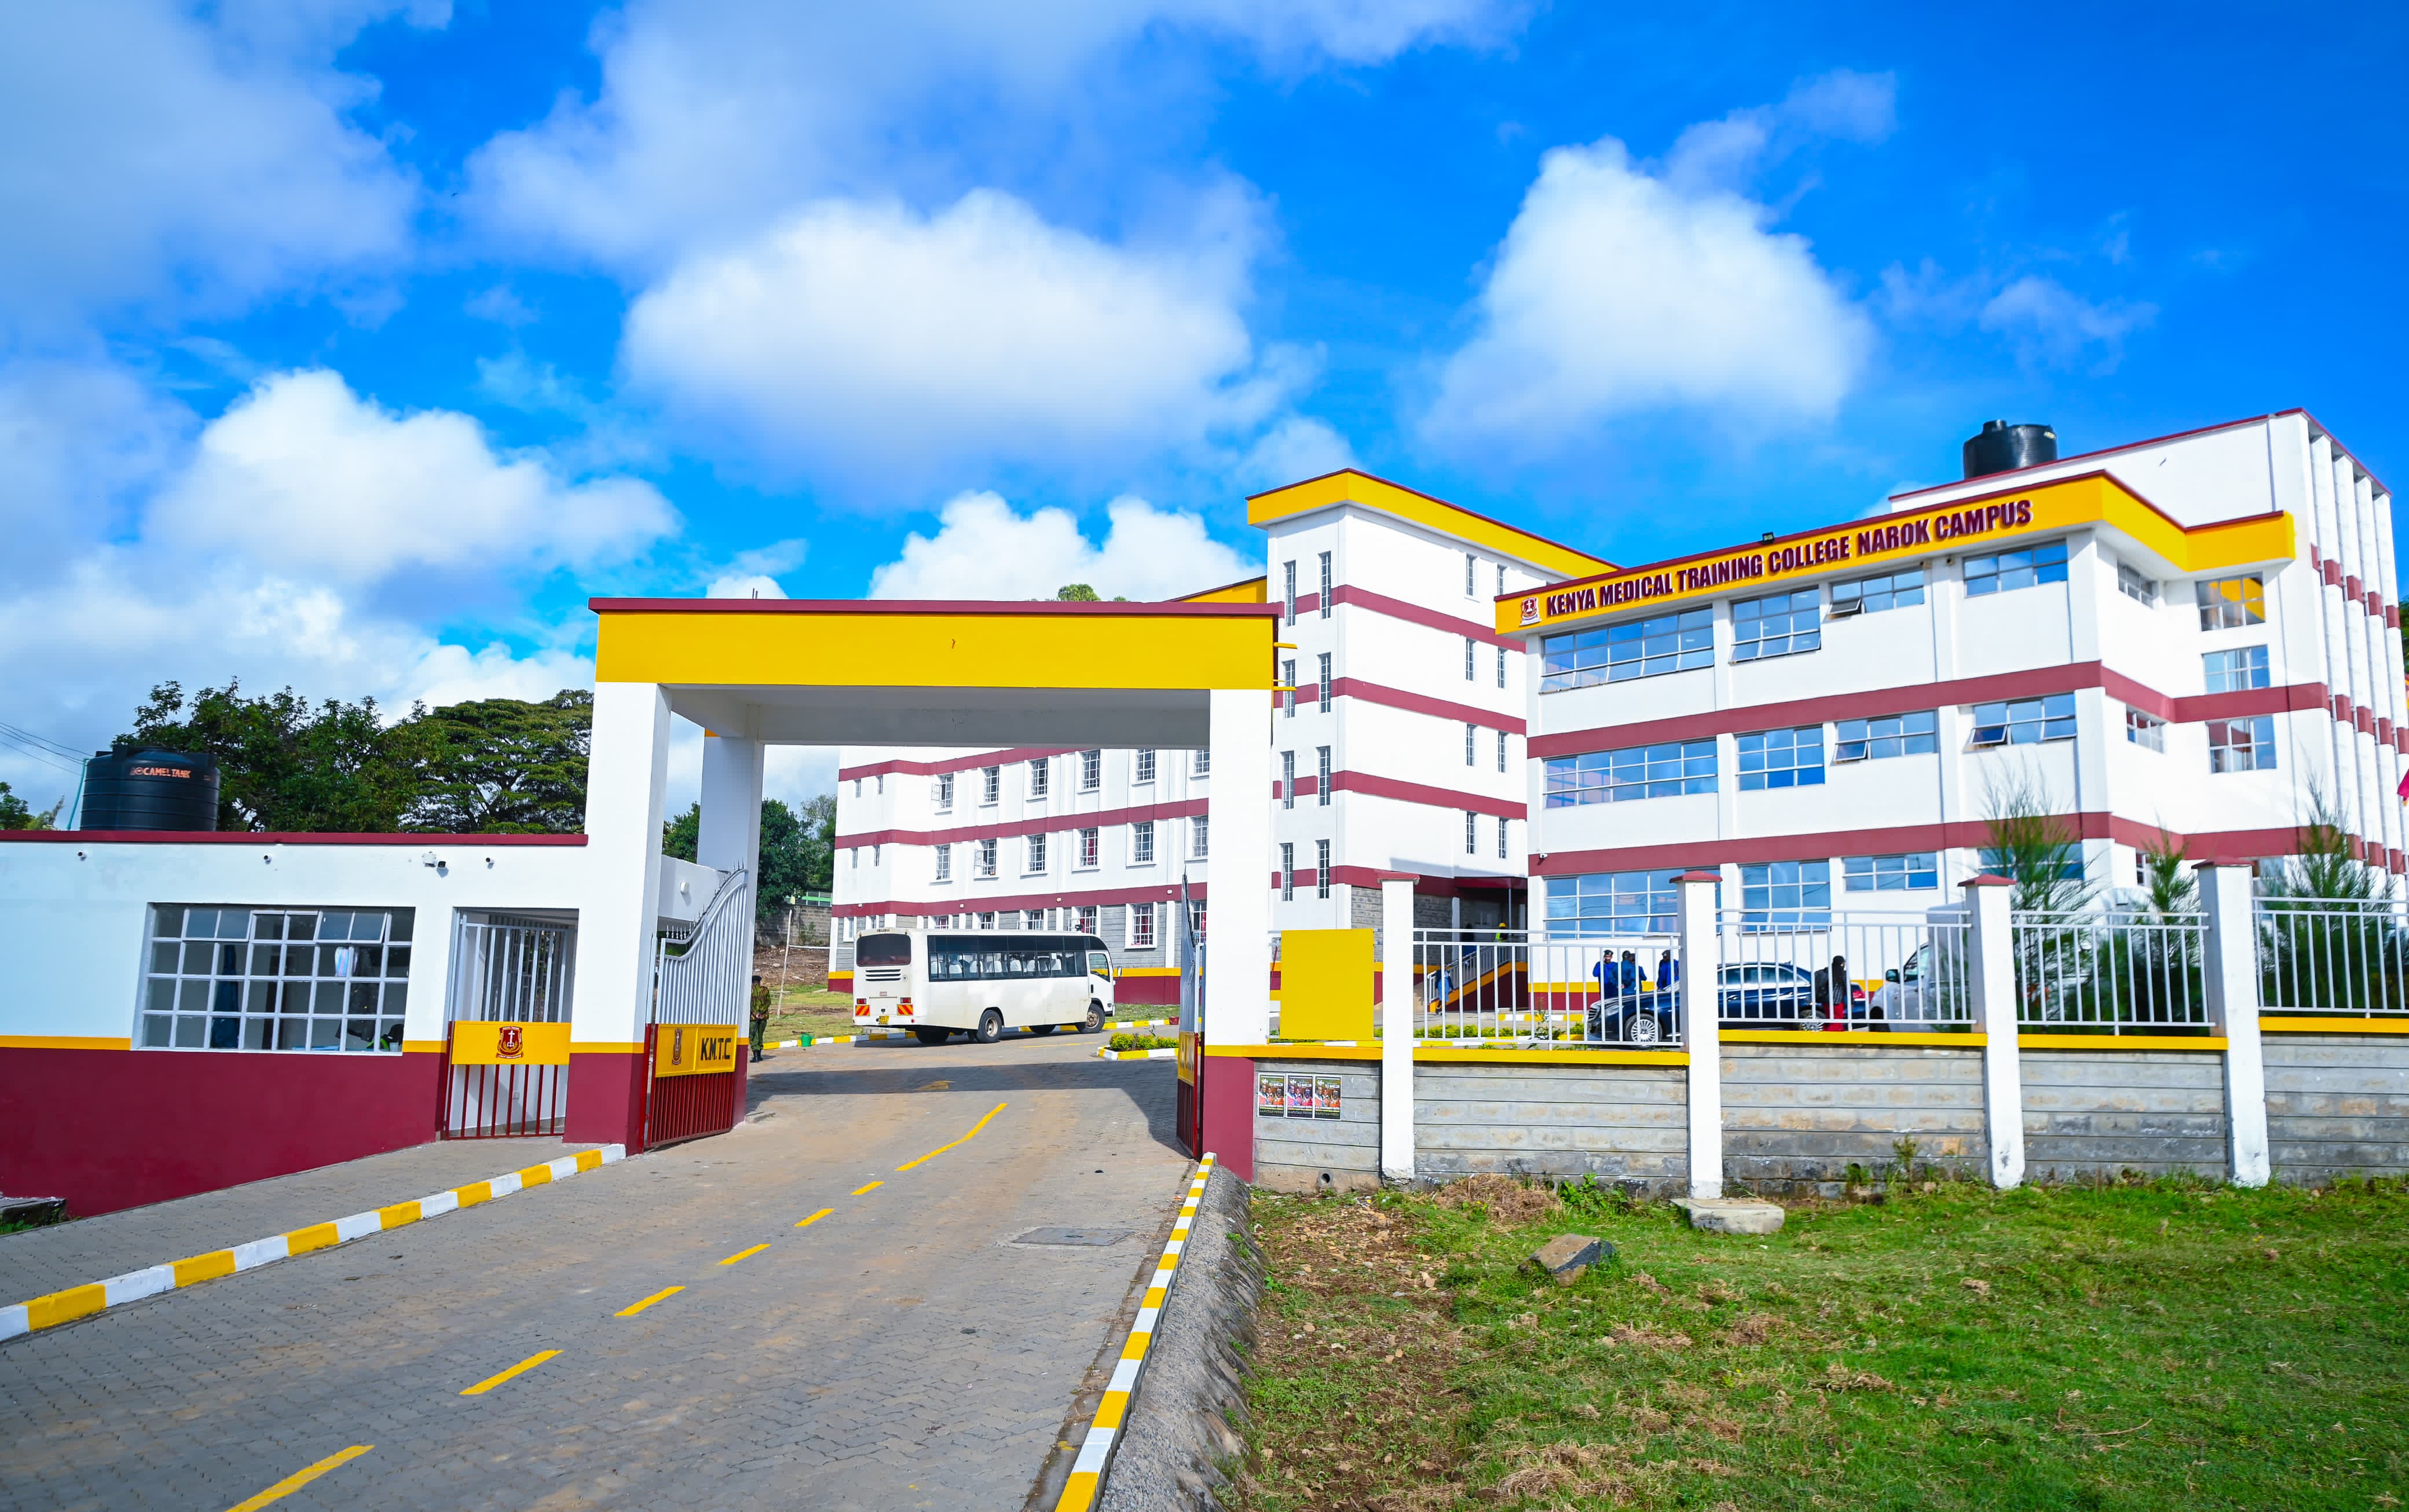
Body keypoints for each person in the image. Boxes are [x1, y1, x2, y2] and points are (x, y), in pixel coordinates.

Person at [1811, 954, 1849, 1031]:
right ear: (1842, 964)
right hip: (1837, 1001)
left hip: (1825, 1001)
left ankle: (1839, 1036)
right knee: (1837, 1020)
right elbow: (1848, 988)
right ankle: (1827, 1036)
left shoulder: (1827, 972)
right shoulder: (1843, 974)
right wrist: (1851, 1000)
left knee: (1830, 1019)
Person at [749, 973, 774, 1062]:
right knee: (760, 1035)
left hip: (753, 1017)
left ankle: (756, 1057)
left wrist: (755, 1014)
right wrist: (761, 1012)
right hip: (763, 1017)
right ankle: (759, 1056)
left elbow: (750, 1004)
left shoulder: (750, 990)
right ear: (759, 982)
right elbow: (768, 1002)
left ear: (752, 982)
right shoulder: (765, 990)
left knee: (753, 1036)